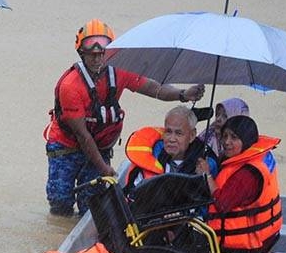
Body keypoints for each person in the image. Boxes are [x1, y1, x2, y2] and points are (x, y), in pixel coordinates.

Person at [44, 19, 205, 217]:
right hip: (66, 146)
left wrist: (183, 94)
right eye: (92, 55)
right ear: (82, 54)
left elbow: (154, 89)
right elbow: (82, 135)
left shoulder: (119, 71)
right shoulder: (70, 86)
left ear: (110, 53)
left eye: (102, 54)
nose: (97, 59)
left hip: (99, 146)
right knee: (60, 201)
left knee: (91, 204)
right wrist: (104, 168)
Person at [204, 115, 283, 253]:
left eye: (234, 138)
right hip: (267, 237)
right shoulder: (259, 157)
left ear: (246, 140)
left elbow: (222, 204)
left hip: (246, 247)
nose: (227, 142)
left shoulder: (247, 174)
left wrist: (207, 175)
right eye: (225, 136)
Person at [123, 105, 220, 194]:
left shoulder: (207, 163)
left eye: (178, 133)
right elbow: (133, 195)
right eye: (168, 132)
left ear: (192, 135)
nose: (171, 139)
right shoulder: (149, 155)